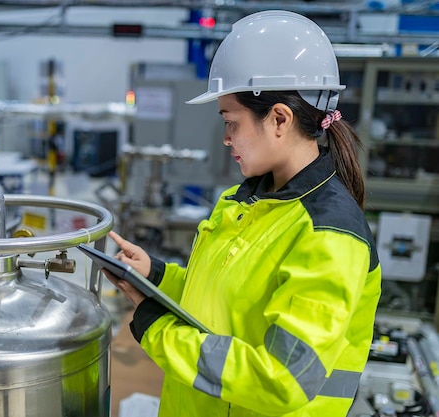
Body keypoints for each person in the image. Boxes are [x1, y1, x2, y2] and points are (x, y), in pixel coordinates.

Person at [104, 10, 382, 417]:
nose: (225, 138)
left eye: (231, 122)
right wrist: (157, 277)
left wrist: (158, 329)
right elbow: (224, 303)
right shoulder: (243, 201)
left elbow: (282, 378)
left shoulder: (330, 235)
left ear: (279, 119)